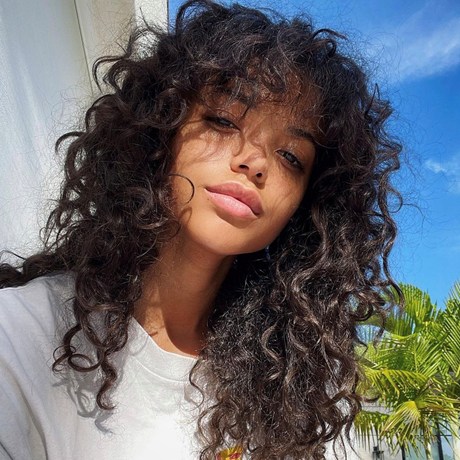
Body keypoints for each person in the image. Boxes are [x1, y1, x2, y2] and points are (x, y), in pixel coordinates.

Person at [0, 0, 402, 459]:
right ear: (161, 127)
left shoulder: (294, 388)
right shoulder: (20, 339)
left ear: (306, 207)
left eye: (291, 156)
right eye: (224, 120)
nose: (254, 162)